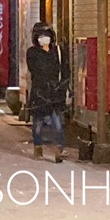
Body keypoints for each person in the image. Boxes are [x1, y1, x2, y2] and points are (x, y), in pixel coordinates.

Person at [25, 21, 69, 162]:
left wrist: (63, 88)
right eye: (41, 36)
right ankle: (38, 149)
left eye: (47, 35)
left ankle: (58, 151)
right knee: (37, 124)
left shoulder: (58, 51)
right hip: (40, 93)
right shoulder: (32, 53)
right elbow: (35, 71)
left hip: (55, 93)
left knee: (58, 124)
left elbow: (65, 71)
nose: (44, 38)